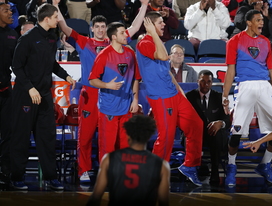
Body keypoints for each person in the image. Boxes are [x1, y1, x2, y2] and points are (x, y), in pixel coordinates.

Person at [54, 0, 150, 183]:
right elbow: (64, 27)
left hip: (114, 97)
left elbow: (134, 26)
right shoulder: (83, 42)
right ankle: (83, 169)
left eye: (102, 26)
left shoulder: (116, 43)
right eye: (96, 26)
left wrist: (145, 4)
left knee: (116, 138)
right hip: (90, 94)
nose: (99, 29)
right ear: (91, 29)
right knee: (86, 135)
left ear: (107, 30)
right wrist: (56, 5)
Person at [222, 9, 272, 187]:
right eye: (258, 20)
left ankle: (265, 164)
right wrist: (225, 95)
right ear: (249, 22)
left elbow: (271, 71)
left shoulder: (266, 41)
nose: (262, 23)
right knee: (236, 131)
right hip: (244, 85)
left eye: (263, 20)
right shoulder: (234, 41)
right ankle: (231, 166)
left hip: (265, 86)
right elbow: (230, 71)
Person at [10, 3, 76, 190]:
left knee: (47, 138)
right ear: (47, 18)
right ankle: (16, 177)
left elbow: (52, 63)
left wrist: (66, 75)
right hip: (25, 95)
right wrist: (30, 88)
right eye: (56, 17)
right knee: (21, 138)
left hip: (45, 95)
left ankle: (50, 177)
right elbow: (17, 66)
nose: (58, 20)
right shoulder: (28, 39)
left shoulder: (51, 37)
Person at [136, 12, 204, 186]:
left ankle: (190, 165)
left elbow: (166, 69)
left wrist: (179, 89)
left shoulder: (157, 41)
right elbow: (163, 56)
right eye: (159, 23)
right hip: (161, 97)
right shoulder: (144, 43)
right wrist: (151, 33)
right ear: (150, 25)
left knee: (196, 124)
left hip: (173, 94)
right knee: (166, 136)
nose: (163, 25)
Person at [86, 115, 170, 206]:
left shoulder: (109, 159)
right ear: (149, 136)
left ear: (128, 134)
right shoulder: (162, 165)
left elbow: (96, 197)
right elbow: (163, 202)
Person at [88, 22, 141, 163]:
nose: (126, 35)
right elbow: (92, 80)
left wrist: (135, 100)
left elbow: (136, 78)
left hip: (126, 107)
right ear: (114, 37)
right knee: (107, 146)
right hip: (108, 107)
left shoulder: (130, 53)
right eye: (122, 33)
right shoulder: (104, 55)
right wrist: (107, 85)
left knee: (125, 146)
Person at [186, 70, 231, 184]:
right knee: (191, 136)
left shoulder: (219, 97)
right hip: (194, 133)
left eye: (208, 82)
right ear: (197, 81)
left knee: (217, 134)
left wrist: (221, 123)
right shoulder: (189, 97)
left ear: (212, 83)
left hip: (212, 134)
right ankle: (192, 170)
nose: (205, 84)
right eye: (202, 81)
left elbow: (227, 120)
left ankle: (215, 171)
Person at [0, 2, 17, 184]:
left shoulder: (13, 35)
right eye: (6, 11)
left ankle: (5, 172)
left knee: (8, 133)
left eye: (11, 10)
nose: (10, 13)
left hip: (5, 90)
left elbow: (17, 65)